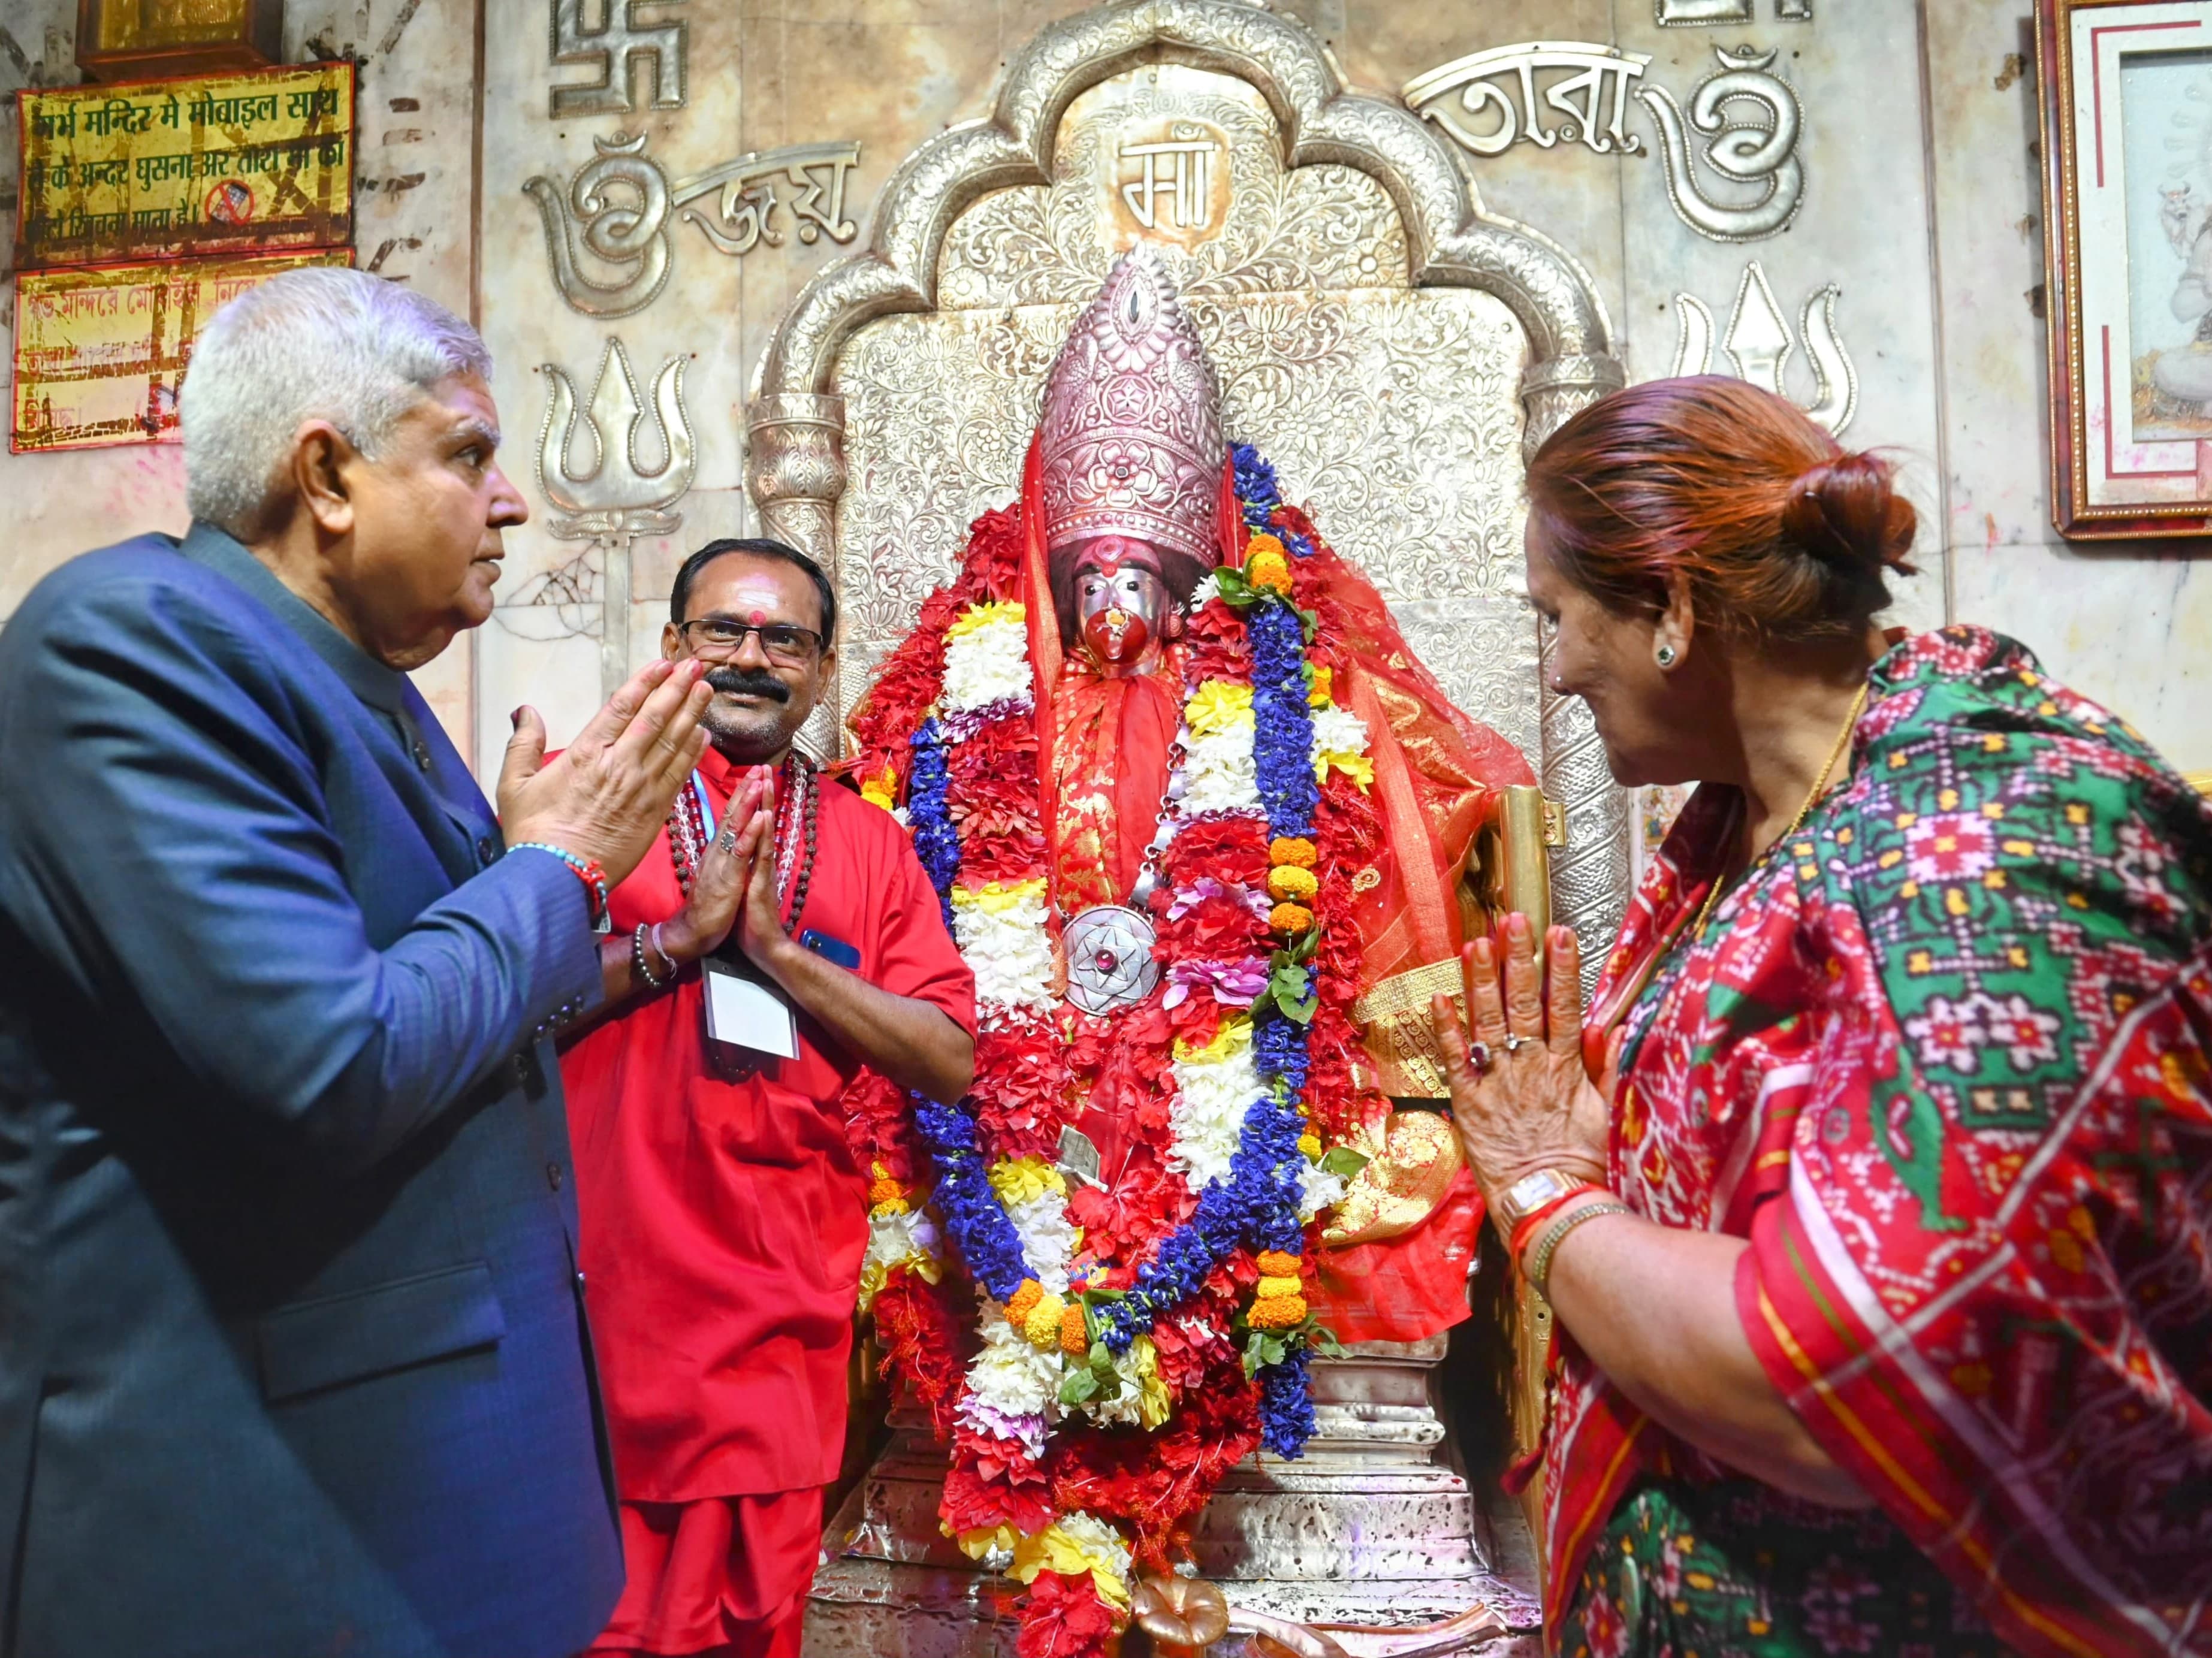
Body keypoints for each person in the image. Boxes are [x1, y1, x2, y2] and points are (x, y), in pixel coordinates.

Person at [1434, 375, 2212, 1657]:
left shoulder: (1974, 845)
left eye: (1559, 618)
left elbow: (1842, 1381)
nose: (1561, 669)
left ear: (1672, 608)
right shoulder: (1756, 830)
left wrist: (1545, 1201)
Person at [0, 267, 713, 1658]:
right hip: (273, 1511)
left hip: (417, 1476)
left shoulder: (352, 673)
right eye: (467, 454)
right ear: (324, 473)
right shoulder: (134, 645)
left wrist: (574, 904)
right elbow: (332, 1063)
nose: (508, 502)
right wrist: (550, 870)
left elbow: (461, 1028)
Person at [557, 536, 977, 1658]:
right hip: (604, 1299)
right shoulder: (587, 800)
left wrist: (783, 958)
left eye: (783, 638)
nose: (752, 657)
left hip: (780, 1300)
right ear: (673, 646)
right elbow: (493, 1000)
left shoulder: (870, 844)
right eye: (723, 631)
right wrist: (675, 944)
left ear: (823, 670)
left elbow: (948, 1055)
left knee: (755, 1623)